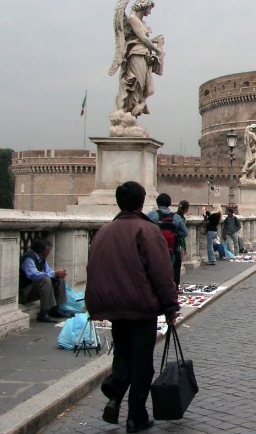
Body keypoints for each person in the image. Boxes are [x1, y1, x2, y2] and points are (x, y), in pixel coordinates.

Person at [86, 181, 179, 432]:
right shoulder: (147, 231)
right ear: (141, 203)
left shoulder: (103, 231)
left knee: (123, 354)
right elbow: (162, 273)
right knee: (142, 361)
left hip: (113, 305)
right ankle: (135, 415)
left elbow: (93, 268)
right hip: (140, 306)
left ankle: (115, 392)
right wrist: (171, 306)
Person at [109, 0, 165, 118]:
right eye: (149, 8)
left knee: (149, 89)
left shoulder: (142, 22)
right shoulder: (132, 19)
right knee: (136, 84)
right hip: (136, 55)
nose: (149, 12)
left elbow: (144, 39)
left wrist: (155, 42)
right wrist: (157, 50)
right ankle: (129, 112)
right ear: (143, 6)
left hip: (145, 56)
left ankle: (139, 105)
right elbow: (143, 39)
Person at [19, 239, 72, 322]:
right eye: (48, 250)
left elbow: (48, 271)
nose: (49, 252)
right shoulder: (29, 258)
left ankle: (55, 309)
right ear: (42, 250)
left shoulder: (42, 259)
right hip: (25, 291)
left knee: (59, 279)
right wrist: (54, 274)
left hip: (33, 287)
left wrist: (57, 273)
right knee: (45, 281)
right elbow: (33, 275)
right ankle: (44, 313)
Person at [148, 193, 188, 286]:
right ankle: (174, 289)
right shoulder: (176, 217)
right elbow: (185, 233)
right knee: (174, 269)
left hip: (156, 249)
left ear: (157, 203)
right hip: (173, 249)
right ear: (169, 204)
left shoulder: (152, 215)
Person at [173, 200, 190, 287]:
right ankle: (175, 286)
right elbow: (183, 234)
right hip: (177, 244)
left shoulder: (174, 216)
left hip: (169, 243)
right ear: (186, 209)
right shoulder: (181, 218)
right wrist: (184, 248)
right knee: (176, 266)